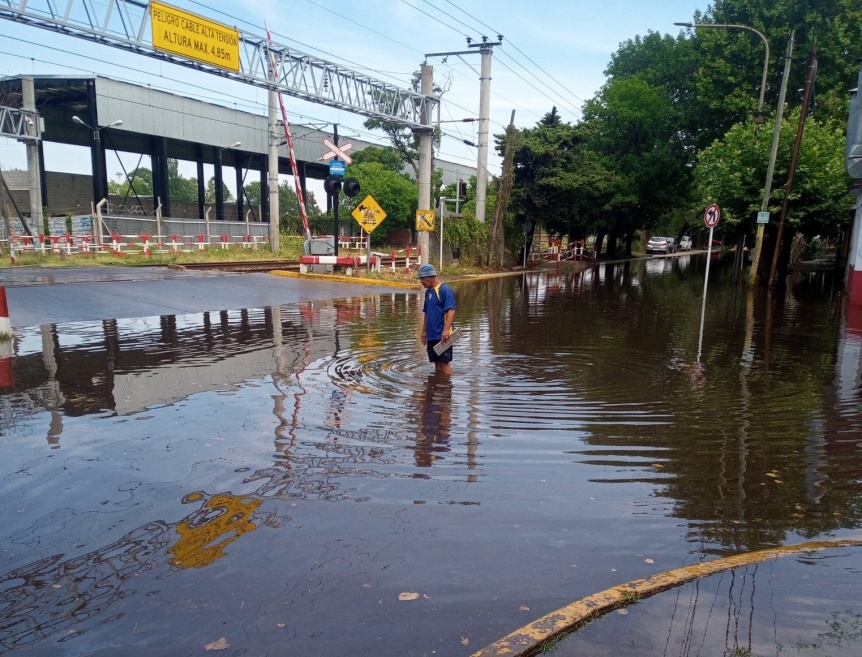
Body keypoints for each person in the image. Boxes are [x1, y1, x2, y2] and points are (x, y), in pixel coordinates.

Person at [418, 263, 455, 375]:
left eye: (422, 279)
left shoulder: (444, 290)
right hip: (431, 335)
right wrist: (424, 331)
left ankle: (446, 388)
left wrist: (445, 330)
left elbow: (451, 310)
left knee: (444, 363)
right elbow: (427, 313)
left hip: (443, 335)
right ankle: (438, 386)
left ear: (429, 277)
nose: (421, 282)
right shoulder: (429, 292)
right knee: (436, 363)